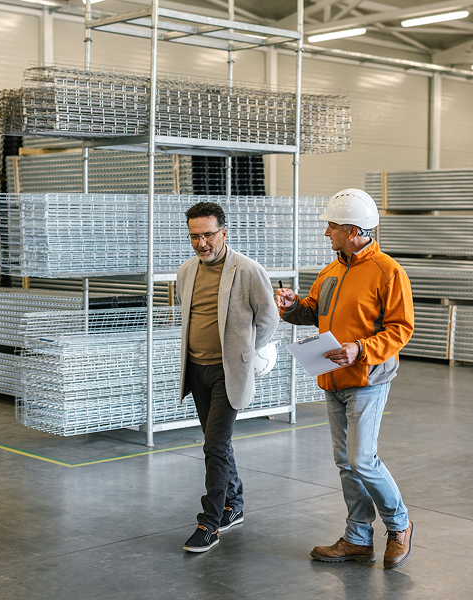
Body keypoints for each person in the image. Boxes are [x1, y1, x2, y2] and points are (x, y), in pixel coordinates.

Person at [274, 188, 416, 569]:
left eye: (332, 227)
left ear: (354, 231)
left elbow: (401, 329)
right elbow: (314, 311)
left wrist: (360, 350)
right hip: (332, 379)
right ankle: (357, 538)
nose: (327, 233)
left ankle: (400, 526)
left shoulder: (388, 271)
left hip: (367, 379)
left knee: (361, 459)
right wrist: (292, 307)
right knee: (344, 461)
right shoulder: (332, 270)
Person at [177, 201, 280, 553]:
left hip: (228, 373)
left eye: (208, 234)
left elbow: (269, 318)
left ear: (224, 231)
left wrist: (247, 353)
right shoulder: (186, 271)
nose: (201, 243)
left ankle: (210, 523)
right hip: (196, 370)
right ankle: (233, 504)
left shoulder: (248, 270)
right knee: (216, 441)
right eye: (194, 236)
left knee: (214, 445)